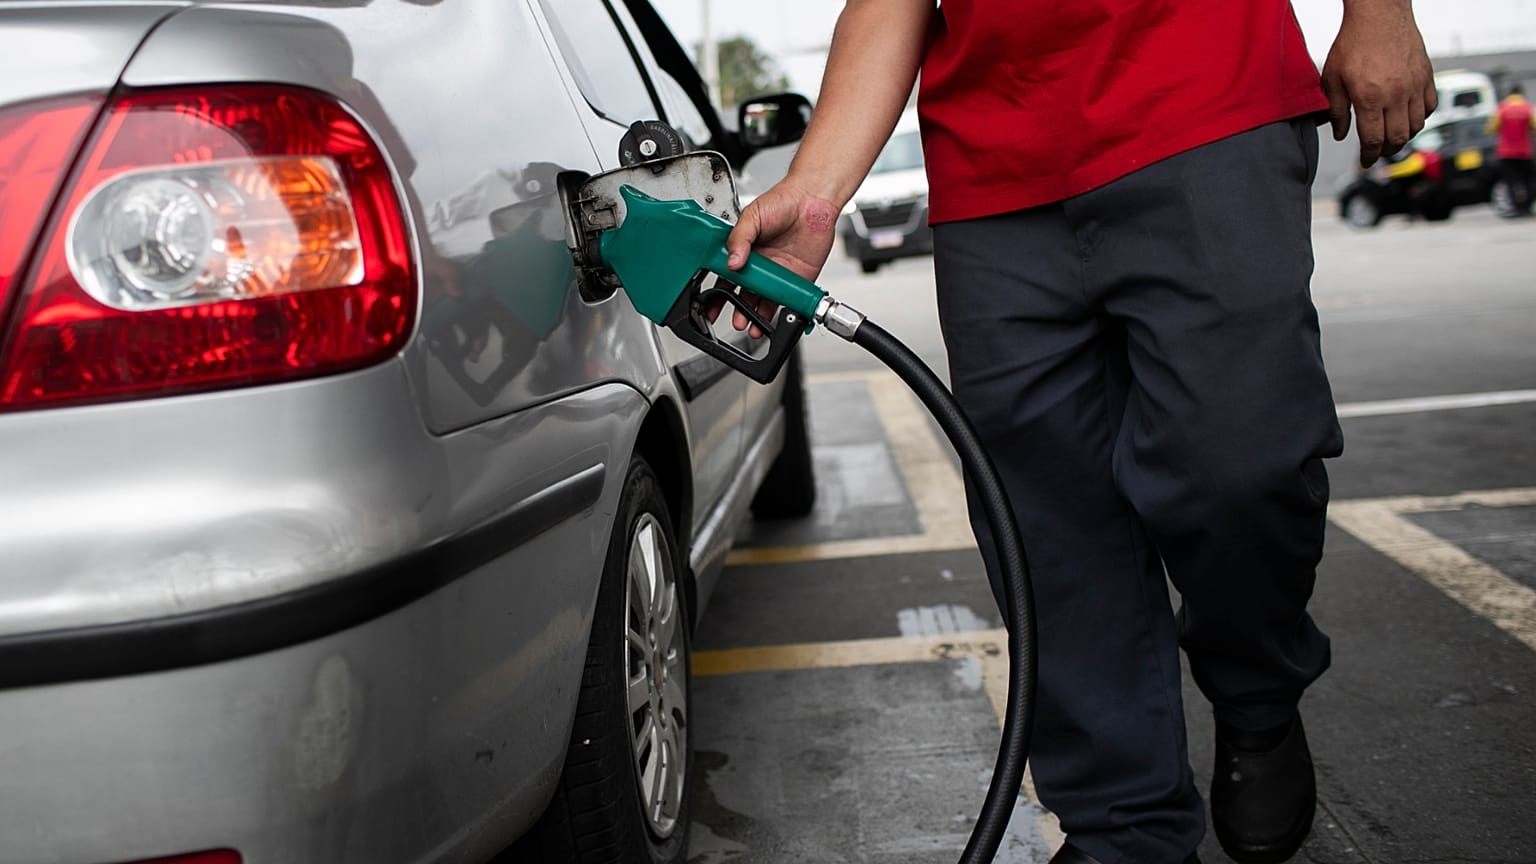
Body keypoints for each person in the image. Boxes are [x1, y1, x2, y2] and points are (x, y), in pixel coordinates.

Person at [721, 2, 1435, 863]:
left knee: (1243, 461)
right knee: (1044, 521)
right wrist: (817, 188)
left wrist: (1381, 11)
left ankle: (1257, 691)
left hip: (1204, 98)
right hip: (995, 169)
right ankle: (1123, 825)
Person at [1489, 85, 1536, 216]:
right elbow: (1534, 127)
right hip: (1524, 151)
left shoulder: (1502, 109)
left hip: (1506, 152)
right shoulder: (1527, 108)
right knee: (1530, 180)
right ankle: (1527, 205)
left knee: (1511, 182)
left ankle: (1517, 207)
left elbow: (1492, 128)